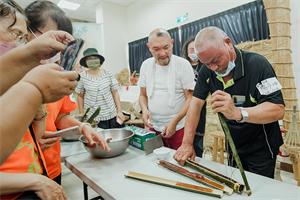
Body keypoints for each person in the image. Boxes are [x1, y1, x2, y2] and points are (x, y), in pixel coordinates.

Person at [174, 26, 285, 178]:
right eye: (207, 64)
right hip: (233, 147)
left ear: (228, 43)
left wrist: (239, 113)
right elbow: (195, 105)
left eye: (216, 60)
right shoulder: (208, 71)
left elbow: (278, 109)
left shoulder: (258, 65)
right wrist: (187, 143)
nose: (214, 68)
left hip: (261, 148)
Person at [24, 0, 110, 185]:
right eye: (51, 38)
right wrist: (33, 141)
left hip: (50, 164)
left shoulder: (57, 75)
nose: (56, 49)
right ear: (26, 32)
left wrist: (82, 126)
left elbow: (61, 117)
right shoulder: (10, 76)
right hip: (19, 173)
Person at [0, 1, 68, 199]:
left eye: (23, 38)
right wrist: (33, 90)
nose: (19, 45)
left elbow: (34, 138)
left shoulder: (16, 80)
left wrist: (39, 108)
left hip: (36, 176)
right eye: (15, 35)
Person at [138, 28, 195, 150]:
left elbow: (190, 99)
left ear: (172, 43)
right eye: (156, 49)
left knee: (178, 162)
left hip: (179, 127)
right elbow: (143, 95)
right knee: (156, 161)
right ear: (149, 47)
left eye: (166, 47)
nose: (162, 53)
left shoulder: (183, 65)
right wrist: (144, 109)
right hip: (154, 127)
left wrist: (174, 122)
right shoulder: (146, 65)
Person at [76, 48, 125, 129]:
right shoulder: (82, 77)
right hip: (93, 117)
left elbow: (115, 92)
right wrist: (81, 113)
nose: (93, 61)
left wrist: (119, 111)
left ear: (100, 60)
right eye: (89, 59)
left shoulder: (108, 73)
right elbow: (80, 95)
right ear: (85, 62)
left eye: (95, 58)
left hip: (112, 114)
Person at [181, 36, 206, 157]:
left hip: (199, 107)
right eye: (191, 50)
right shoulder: (182, 67)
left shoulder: (205, 67)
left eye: (196, 49)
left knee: (197, 142)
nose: (194, 53)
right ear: (186, 51)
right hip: (184, 105)